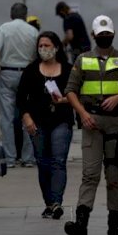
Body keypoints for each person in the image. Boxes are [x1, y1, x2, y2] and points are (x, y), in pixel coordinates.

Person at [63, 15, 118, 235]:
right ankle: (81, 224)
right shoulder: (82, 59)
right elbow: (70, 91)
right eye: (101, 35)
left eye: (108, 35)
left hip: (116, 124)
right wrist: (83, 113)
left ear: (114, 35)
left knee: (114, 177)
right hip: (92, 122)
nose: (105, 38)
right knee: (90, 174)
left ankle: (113, 228)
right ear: (93, 35)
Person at [18, 30, 74, 220]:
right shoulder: (31, 70)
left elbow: (78, 95)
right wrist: (26, 117)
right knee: (43, 162)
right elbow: (20, 98)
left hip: (61, 120)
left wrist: (64, 100)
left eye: (47, 45)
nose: (43, 49)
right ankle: (49, 203)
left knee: (58, 161)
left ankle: (57, 202)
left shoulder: (67, 69)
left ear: (56, 47)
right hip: (37, 122)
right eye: (40, 46)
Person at [0, 2, 38, 167]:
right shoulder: (33, 31)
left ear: (11, 14)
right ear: (25, 15)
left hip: (7, 72)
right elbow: (36, 55)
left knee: (7, 117)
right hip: (27, 74)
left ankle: (10, 158)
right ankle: (28, 157)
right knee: (28, 114)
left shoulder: (4, 28)